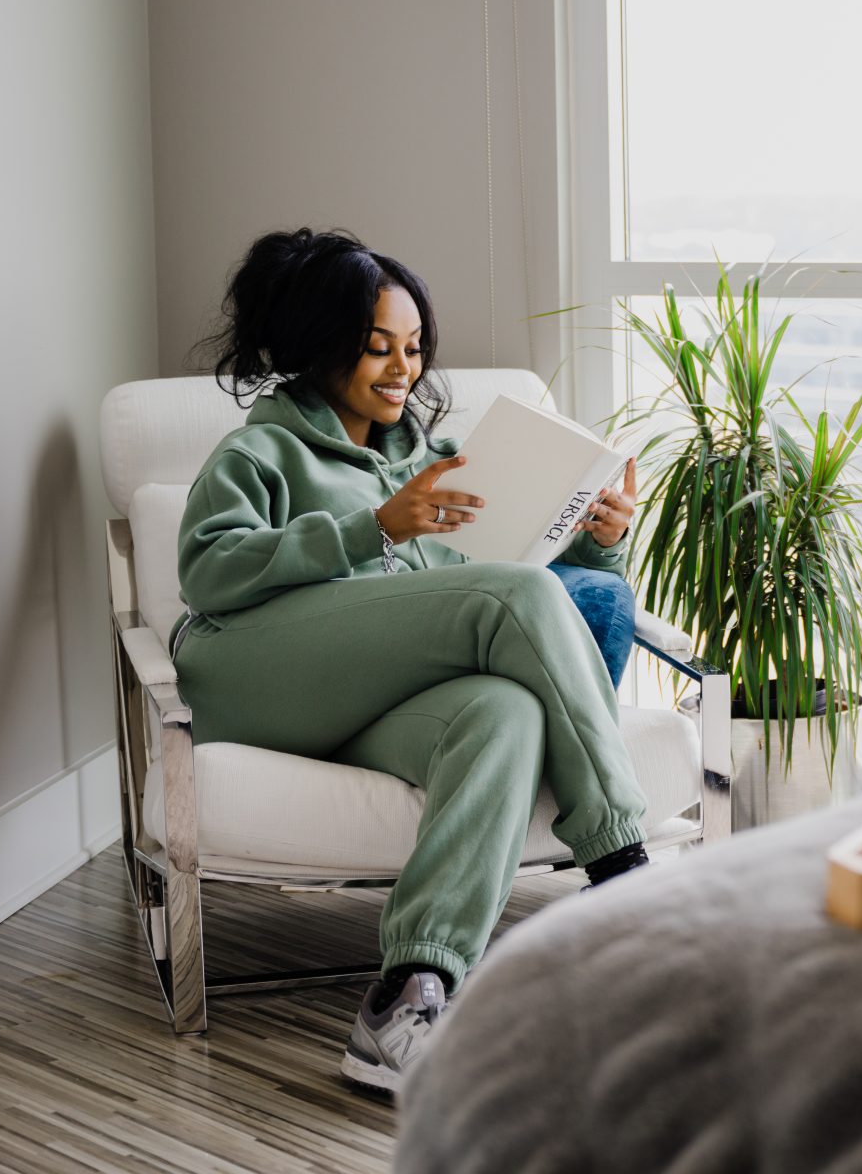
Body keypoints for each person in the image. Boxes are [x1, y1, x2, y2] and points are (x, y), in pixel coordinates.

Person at [169, 227, 652, 1095]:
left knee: (505, 713)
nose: (402, 368)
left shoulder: (439, 465)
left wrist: (600, 543)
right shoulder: (259, 452)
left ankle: (409, 993)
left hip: (370, 705)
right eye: (376, 348)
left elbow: (512, 581)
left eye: (415, 349)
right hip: (254, 671)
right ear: (321, 348)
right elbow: (209, 572)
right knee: (513, 599)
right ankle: (625, 870)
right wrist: (375, 526)